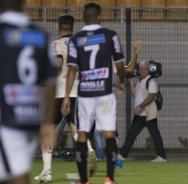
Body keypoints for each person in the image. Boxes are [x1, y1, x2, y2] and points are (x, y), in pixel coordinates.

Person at [61, 3, 136, 184]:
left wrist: (65, 97)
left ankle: (84, 180)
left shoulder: (76, 39)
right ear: (100, 17)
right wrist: (119, 82)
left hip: (85, 94)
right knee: (109, 134)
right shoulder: (110, 36)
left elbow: (71, 69)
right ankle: (109, 178)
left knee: (83, 134)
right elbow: (119, 66)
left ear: (82, 17)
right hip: (104, 93)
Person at [34, 14, 96, 183]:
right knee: (75, 130)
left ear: (58, 27)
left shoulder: (56, 44)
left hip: (60, 94)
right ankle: (89, 149)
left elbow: (58, 63)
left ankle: (47, 171)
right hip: (78, 93)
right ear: (73, 27)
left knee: (48, 131)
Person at [0, 0, 57, 183]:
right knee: (17, 171)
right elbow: (51, 81)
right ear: (23, 4)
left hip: (6, 118)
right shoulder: (40, 35)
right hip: (30, 118)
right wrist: (48, 123)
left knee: (16, 177)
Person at [117, 59, 167, 163]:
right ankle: (122, 155)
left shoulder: (151, 82)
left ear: (148, 70)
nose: (142, 70)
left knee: (155, 135)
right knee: (131, 135)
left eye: (144, 69)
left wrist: (139, 107)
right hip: (140, 115)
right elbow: (136, 95)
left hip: (148, 114)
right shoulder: (140, 81)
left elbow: (151, 97)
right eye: (140, 69)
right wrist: (131, 83)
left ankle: (161, 156)